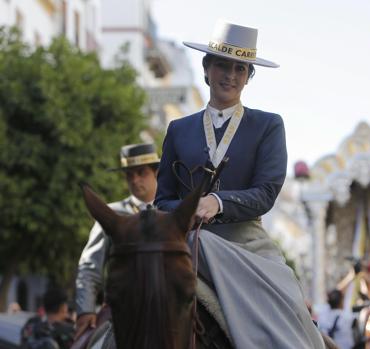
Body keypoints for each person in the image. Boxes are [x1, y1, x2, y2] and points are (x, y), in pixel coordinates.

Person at [155, 20, 325, 348]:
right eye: (222, 65)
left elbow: (266, 192)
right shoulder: (178, 129)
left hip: (247, 244)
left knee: (293, 310)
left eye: (240, 68)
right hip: (186, 244)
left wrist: (217, 203)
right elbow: (162, 201)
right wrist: (189, 209)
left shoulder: (268, 125)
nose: (230, 75)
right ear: (207, 69)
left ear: (248, 77)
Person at [74, 143, 159, 339]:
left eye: (141, 172)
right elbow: (88, 267)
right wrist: (85, 310)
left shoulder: (173, 213)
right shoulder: (110, 214)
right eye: (129, 174)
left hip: (170, 304)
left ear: (156, 172)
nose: (135, 180)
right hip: (119, 307)